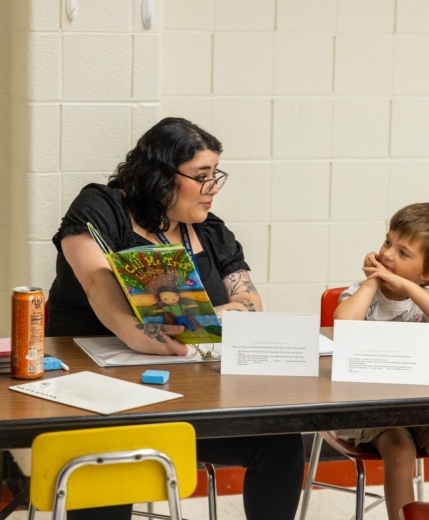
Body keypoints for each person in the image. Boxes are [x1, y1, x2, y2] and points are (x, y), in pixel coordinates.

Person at [46, 117, 305, 519]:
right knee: (112, 458)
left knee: (280, 443)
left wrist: (200, 316)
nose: (213, 188)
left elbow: (250, 302)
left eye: (216, 174)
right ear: (162, 175)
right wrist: (142, 333)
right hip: (95, 396)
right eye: (202, 176)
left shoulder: (212, 231)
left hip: (184, 396)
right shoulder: (101, 207)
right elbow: (99, 286)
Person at [334, 202, 429, 520]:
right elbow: (344, 325)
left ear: (428, 273)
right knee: (399, 452)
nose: (387, 255)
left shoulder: (426, 302)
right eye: (387, 242)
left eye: (403, 253)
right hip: (368, 406)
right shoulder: (360, 293)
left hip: (420, 407)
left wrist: (410, 288)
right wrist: (371, 281)